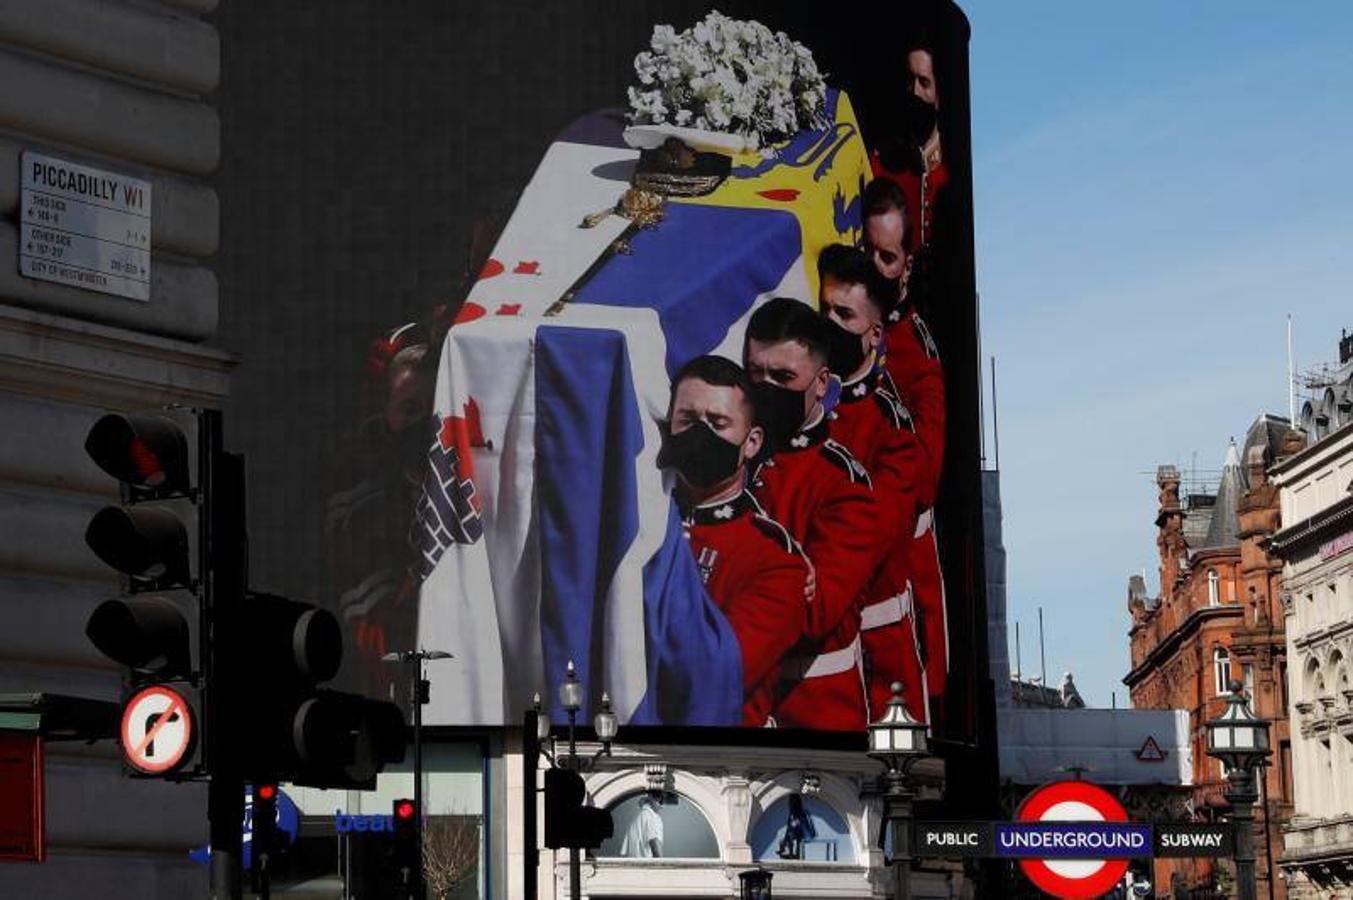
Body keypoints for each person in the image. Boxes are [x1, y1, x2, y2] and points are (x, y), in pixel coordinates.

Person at [743, 298, 879, 731]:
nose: (766, 388)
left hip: (810, 711)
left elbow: (815, 612)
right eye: (755, 375)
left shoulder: (844, 483)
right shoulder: (732, 453)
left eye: (783, 377)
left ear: (821, 383)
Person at [659, 355, 812, 726]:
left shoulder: (775, 561)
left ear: (751, 441)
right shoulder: (644, 520)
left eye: (718, 423)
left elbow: (712, 676)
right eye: (689, 420)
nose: (701, 434)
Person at [816, 247, 928, 722]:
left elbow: (868, 541)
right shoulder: (810, 406)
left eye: (844, 314)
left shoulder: (890, 425)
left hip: (877, 647)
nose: (830, 324)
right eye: (823, 311)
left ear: (874, 332)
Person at [857, 203, 952, 702]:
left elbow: (924, 481)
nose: (875, 265)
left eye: (887, 256)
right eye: (867, 250)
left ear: (907, 265)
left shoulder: (914, 352)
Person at [869, 31, 948, 252]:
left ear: (939, 94)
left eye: (924, 82)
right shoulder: (879, 163)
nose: (914, 91)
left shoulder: (950, 174)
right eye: (909, 80)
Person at [620, 793, 664, 858]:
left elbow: (623, 854)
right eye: (661, 801)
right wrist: (663, 867)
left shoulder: (637, 816)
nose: (662, 807)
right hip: (647, 866)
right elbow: (655, 844)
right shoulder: (652, 817)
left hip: (633, 866)